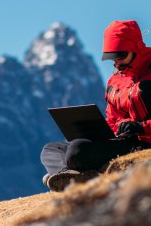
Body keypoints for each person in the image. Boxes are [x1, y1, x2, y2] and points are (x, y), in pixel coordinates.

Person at [41, 20, 151, 192]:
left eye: (120, 56)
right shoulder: (115, 80)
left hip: (143, 141)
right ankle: (66, 176)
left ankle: (71, 175)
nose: (116, 63)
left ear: (136, 47)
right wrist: (98, 129)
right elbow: (113, 119)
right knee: (52, 149)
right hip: (119, 140)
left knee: (77, 150)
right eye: (112, 57)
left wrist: (141, 127)